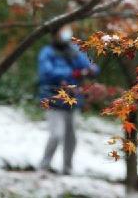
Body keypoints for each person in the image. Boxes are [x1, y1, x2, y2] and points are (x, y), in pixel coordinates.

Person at [37, 24, 99, 175]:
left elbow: (92, 67)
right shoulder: (47, 52)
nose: (66, 33)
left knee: (71, 137)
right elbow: (46, 73)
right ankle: (44, 166)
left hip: (73, 99)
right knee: (55, 135)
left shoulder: (75, 51)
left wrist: (90, 70)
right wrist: (73, 73)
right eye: (62, 30)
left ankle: (67, 168)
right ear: (55, 33)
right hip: (54, 99)